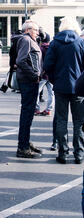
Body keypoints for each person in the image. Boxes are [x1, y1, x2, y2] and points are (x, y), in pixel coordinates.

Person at [44, 16, 84, 164]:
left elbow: (48, 65)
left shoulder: (55, 43)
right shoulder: (81, 42)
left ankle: (63, 153)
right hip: (79, 88)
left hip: (61, 86)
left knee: (61, 120)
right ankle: (79, 154)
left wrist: (55, 79)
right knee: (79, 122)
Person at [15, 20, 43, 159]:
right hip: (28, 81)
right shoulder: (26, 40)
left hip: (29, 81)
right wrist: (34, 75)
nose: (38, 32)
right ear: (27, 30)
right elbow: (20, 61)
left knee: (28, 113)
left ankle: (25, 142)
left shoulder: (29, 40)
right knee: (27, 113)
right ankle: (23, 147)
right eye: (36, 30)